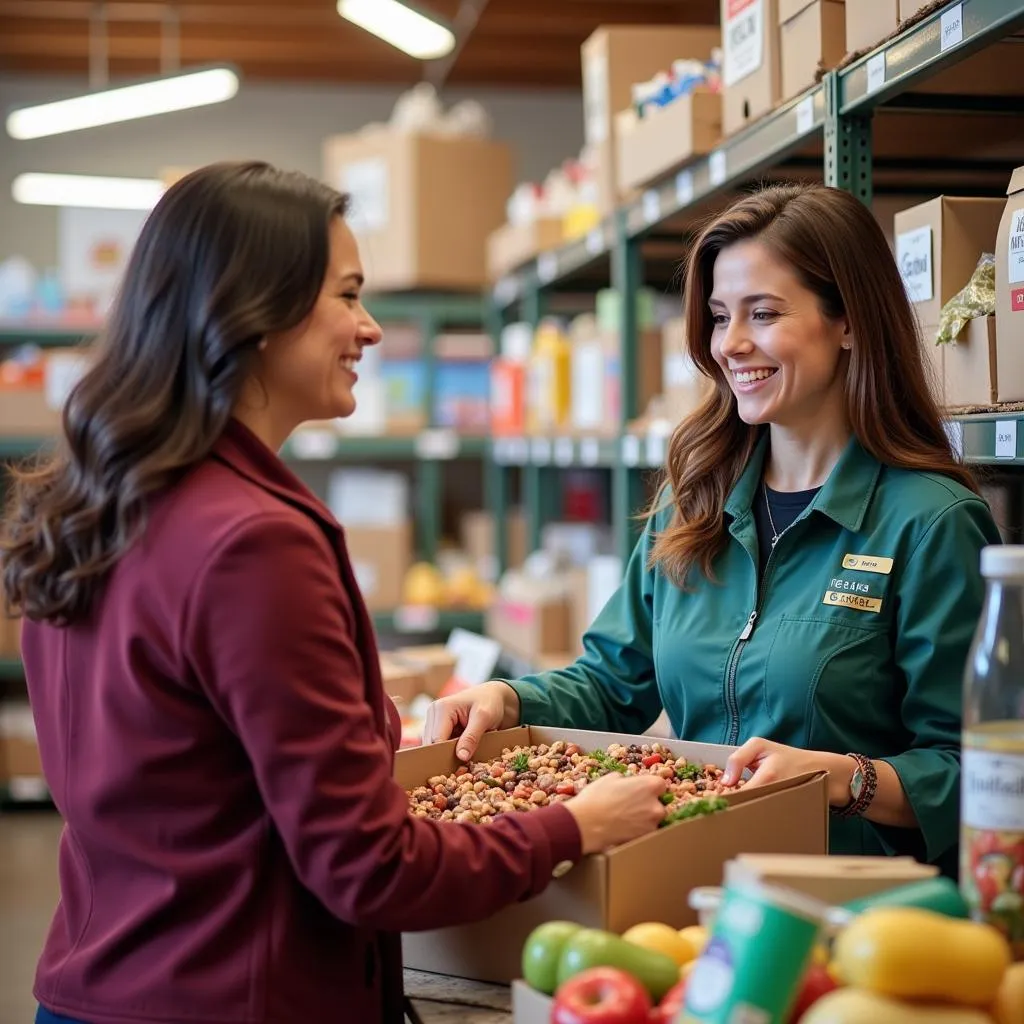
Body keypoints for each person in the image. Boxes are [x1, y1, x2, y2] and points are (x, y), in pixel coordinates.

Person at [0, 162, 669, 1024]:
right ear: (254, 312)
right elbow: (370, 870)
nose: (373, 328)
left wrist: (350, 713)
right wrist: (572, 826)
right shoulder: (255, 541)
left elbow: (175, 756)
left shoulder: (99, 499)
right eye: (347, 295)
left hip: (102, 985)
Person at [426, 182, 1002, 877]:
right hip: (686, 887)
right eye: (720, 316)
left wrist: (844, 777)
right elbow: (614, 681)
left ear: (848, 321)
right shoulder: (691, 503)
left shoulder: (930, 523)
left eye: (763, 313)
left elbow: (973, 767)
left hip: (850, 911)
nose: (730, 345)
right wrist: (510, 698)